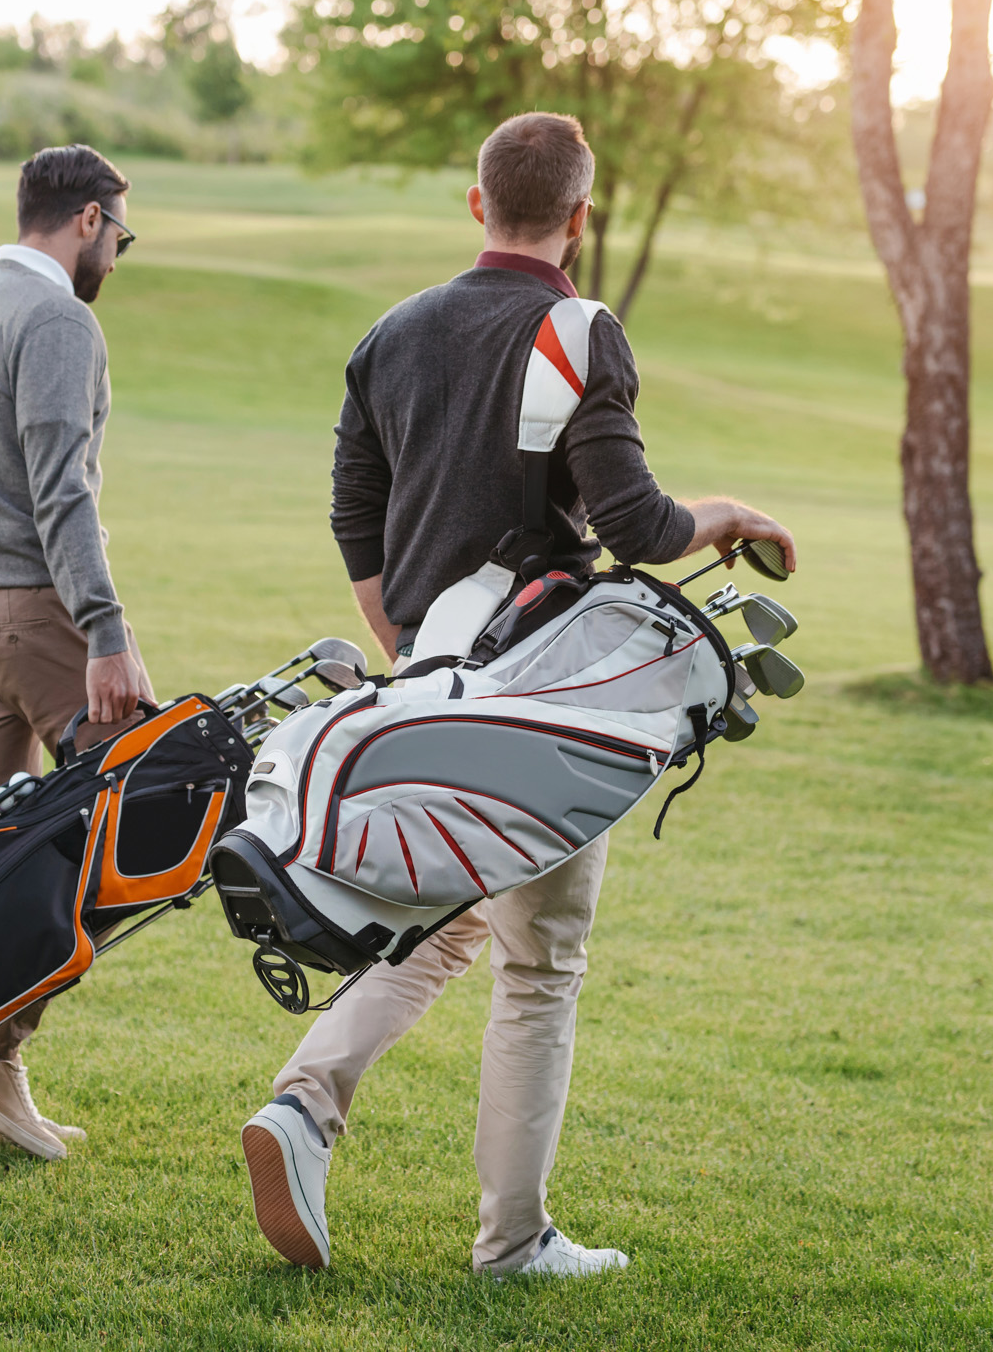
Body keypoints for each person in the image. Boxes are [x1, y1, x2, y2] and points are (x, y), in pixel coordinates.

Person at [238, 112, 799, 1277]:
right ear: (581, 217)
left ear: (476, 202)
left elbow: (355, 508)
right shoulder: (578, 327)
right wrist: (733, 514)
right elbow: (638, 527)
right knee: (538, 962)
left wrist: (410, 648)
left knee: (437, 928)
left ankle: (304, 1105)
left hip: (431, 673)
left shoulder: (393, 331)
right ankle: (514, 1238)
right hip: (543, 693)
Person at [0, 143, 155, 1160]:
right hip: (35, 617)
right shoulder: (58, 315)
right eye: (125, 235)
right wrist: (104, 628)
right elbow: (64, 490)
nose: (119, 256)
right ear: (89, 219)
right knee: (140, 829)